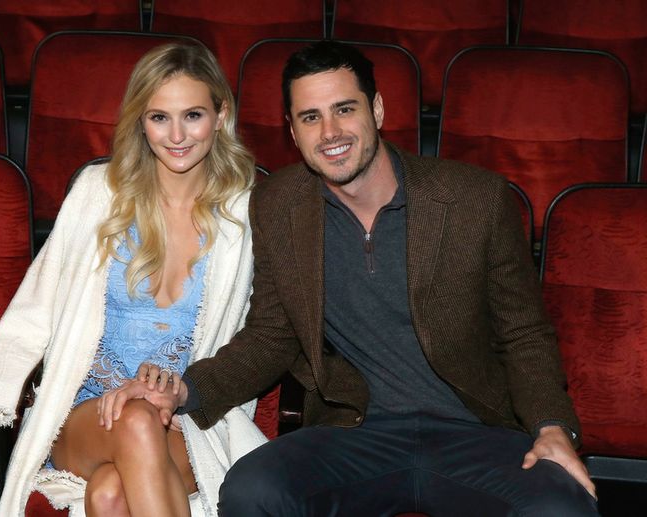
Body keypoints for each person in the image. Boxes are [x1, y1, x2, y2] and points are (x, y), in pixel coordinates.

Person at [126, 40, 601, 516]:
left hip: (475, 433)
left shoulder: (475, 199)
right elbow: (272, 334)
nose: (330, 132)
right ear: (292, 131)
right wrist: (187, 389)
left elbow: (524, 335)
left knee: (563, 507)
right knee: (252, 490)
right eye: (310, 117)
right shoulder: (279, 205)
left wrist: (553, 427)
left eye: (344, 109)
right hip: (355, 433)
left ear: (375, 109)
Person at [0, 42, 267, 517]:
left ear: (220, 115)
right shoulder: (98, 193)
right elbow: (38, 301)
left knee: (109, 492)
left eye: (192, 115)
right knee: (135, 421)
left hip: (186, 419)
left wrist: (177, 387)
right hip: (85, 414)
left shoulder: (248, 211)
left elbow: (263, 335)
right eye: (159, 117)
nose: (177, 135)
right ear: (140, 121)